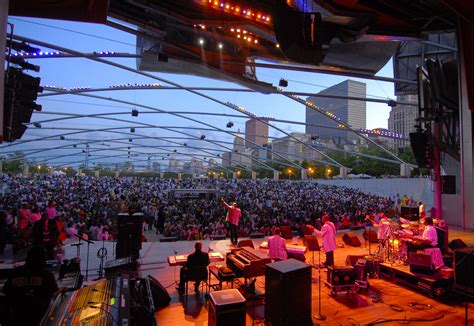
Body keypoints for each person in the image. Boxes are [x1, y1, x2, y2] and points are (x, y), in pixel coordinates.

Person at [2, 246, 59, 325]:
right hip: (40, 318)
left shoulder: (16, 273)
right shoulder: (46, 274)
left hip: (18, 317)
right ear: (42, 259)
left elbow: (5, 291)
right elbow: (54, 293)